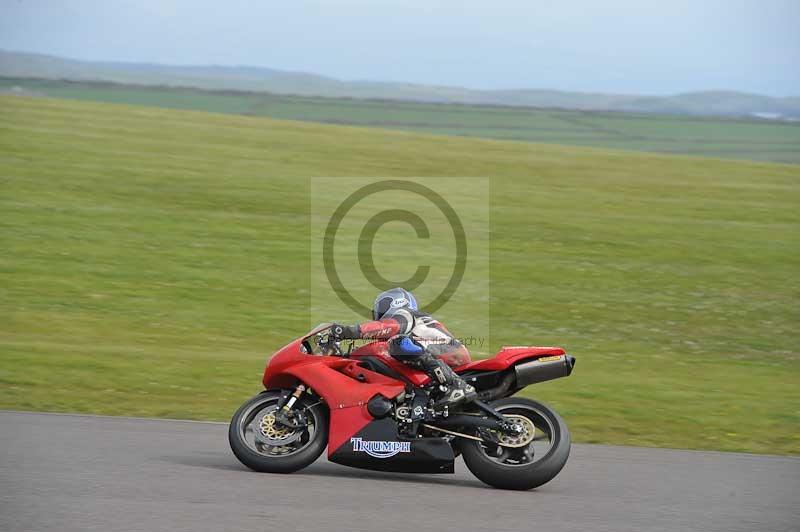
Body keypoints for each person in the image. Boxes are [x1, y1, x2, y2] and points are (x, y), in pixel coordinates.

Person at [330, 287, 477, 409]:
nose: (379, 314)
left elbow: (388, 327)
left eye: (383, 307)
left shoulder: (406, 315)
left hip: (449, 349)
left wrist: (349, 332)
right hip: (438, 353)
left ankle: (457, 384)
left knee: (399, 344)